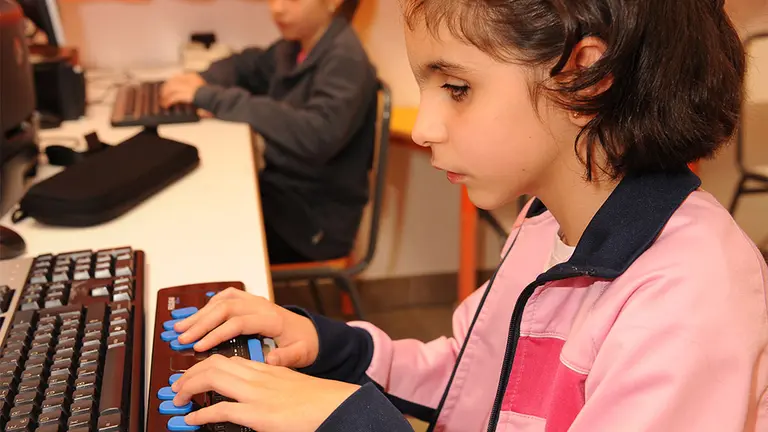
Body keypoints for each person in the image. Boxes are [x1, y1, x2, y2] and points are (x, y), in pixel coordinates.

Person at [166, 0, 768, 430]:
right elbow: (474, 380)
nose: (425, 128)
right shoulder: (544, 224)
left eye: (456, 88)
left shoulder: (692, 295)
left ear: (587, 79)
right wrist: (333, 348)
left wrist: (351, 422)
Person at [160, 0, 378, 264]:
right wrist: (204, 78)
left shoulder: (345, 59)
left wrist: (215, 99)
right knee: (193, 198)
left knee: (200, 231)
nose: (277, 8)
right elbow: (248, 65)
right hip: (282, 195)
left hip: (312, 222)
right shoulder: (296, 45)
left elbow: (316, 135)